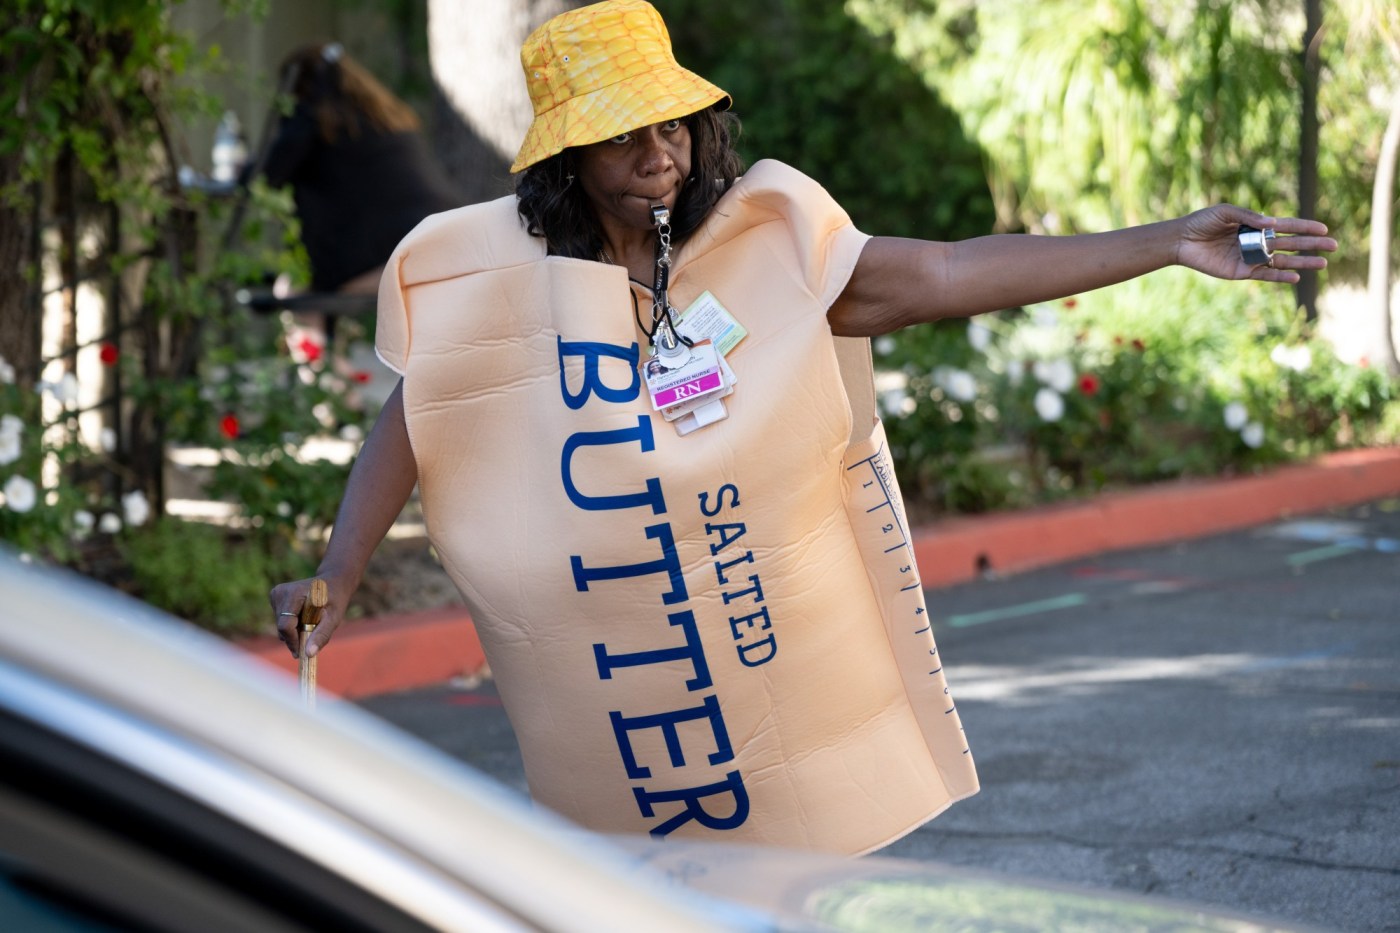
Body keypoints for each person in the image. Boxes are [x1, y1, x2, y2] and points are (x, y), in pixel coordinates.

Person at [270, 0, 1334, 854]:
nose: (659, 153)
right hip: (626, 727)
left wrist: (1164, 242)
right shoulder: (501, 277)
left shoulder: (765, 239)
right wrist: (339, 573)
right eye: (624, 134)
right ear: (568, 154)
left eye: (672, 124)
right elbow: (418, 416)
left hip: (760, 699)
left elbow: (944, 271)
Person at [248, 43, 459, 371]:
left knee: (295, 292)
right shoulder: (385, 118)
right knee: (308, 294)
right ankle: (333, 386)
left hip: (390, 256)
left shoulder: (313, 122)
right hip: (444, 241)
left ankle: (326, 389)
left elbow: (264, 175)